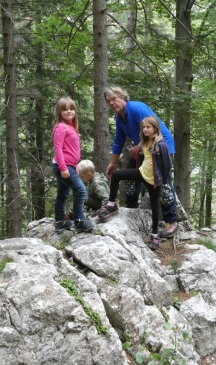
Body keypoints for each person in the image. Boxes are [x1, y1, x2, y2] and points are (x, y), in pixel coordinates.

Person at [104, 86, 178, 238]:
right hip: (144, 149)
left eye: (114, 99)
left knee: (163, 183)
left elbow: (155, 128)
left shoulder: (136, 108)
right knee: (131, 175)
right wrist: (113, 162)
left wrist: (139, 145)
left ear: (124, 98)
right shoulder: (119, 118)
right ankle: (132, 209)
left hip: (161, 148)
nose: (112, 103)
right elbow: (118, 140)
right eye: (109, 101)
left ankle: (172, 221)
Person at [98, 116, 172, 250]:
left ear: (155, 128)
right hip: (142, 173)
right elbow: (141, 157)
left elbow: (167, 164)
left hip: (154, 180)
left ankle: (154, 235)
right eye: (143, 127)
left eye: (148, 127)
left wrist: (164, 182)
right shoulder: (143, 142)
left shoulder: (161, 144)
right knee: (115, 175)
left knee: (155, 206)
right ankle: (111, 205)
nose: (145, 129)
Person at [51, 97, 95, 234]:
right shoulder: (60, 127)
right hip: (62, 166)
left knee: (63, 194)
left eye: (71, 109)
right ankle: (79, 220)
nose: (69, 111)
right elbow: (58, 149)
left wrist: (73, 165)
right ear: (59, 112)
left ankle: (60, 221)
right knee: (81, 190)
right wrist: (63, 168)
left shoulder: (70, 127)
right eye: (65, 109)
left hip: (69, 165)